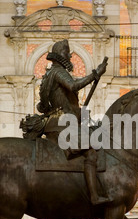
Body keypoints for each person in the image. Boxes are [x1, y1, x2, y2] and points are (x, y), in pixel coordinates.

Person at [37, 39, 111, 205]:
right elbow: (74, 86)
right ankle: (94, 196)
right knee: (91, 153)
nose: (69, 58)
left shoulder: (47, 75)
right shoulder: (58, 72)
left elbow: (41, 106)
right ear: (60, 56)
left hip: (54, 123)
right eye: (66, 54)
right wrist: (95, 74)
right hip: (64, 125)